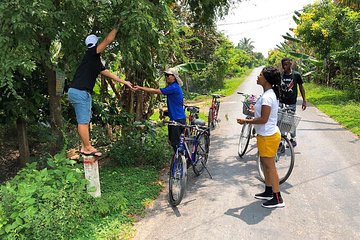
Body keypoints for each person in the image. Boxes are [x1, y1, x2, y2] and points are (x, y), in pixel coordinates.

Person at [68, 27, 133, 157]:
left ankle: (84, 146)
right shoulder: (92, 53)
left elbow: (107, 73)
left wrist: (124, 82)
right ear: (95, 44)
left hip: (79, 92)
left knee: (85, 120)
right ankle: (87, 147)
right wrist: (118, 25)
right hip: (80, 92)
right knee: (83, 121)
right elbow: (108, 39)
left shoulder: (94, 60)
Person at [237, 66, 285, 208]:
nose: (258, 77)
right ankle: (269, 191)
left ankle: (277, 198)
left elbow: (263, 119)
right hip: (265, 135)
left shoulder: (268, 96)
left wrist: (246, 121)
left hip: (268, 136)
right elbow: (262, 115)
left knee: (270, 167)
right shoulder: (267, 94)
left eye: (260, 75)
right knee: (265, 165)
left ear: (267, 79)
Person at [134, 68, 186, 151]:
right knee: (173, 142)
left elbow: (155, 91)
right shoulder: (174, 87)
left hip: (177, 119)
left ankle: (182, 160)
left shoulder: (173, 87)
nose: (166, 77)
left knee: (176, 144)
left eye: (168, 75)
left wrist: (140, 88)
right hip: (176, 118)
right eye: (165, 75)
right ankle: (182, 160)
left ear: (174, 77)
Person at [279, 57, 307, 147]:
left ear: (290, 64)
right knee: (280, 121)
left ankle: (293, 138)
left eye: (286, 64)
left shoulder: (296, 75)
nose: (284, 66)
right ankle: (281, 141)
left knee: (290, 121)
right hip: (281, 101)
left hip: (291, 102)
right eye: (283, 65)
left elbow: (301, 87)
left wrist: (304, 100)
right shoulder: (280, 75)